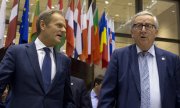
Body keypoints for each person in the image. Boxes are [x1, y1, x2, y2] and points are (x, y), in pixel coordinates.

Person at [98, 10, 180, 108]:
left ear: (156, 32)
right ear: (132, 32)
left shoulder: (172, 60)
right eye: (138, 25)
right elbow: (107, 96)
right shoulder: (119, 57)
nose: (143, 30)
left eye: (149, 26)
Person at [0, 9, 75, 108]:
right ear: (43, 25)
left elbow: (68, 99)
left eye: (64, 27)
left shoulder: (64, 61)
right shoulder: (16, 52)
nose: (64, 30)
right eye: (59, 25)